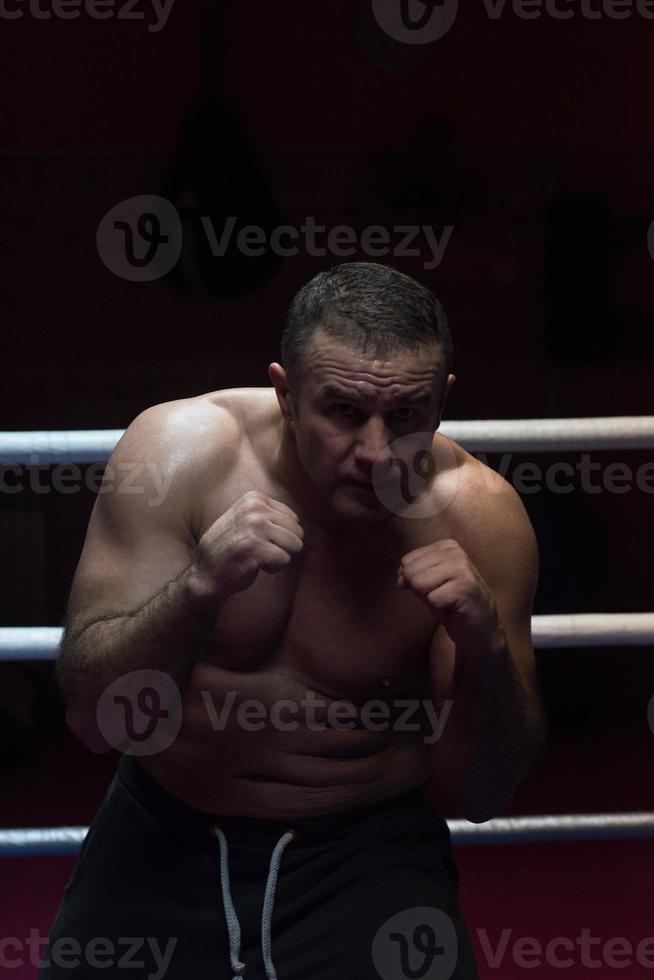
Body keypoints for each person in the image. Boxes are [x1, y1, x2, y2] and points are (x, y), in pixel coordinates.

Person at [42, 262, 545, 980]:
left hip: (365, 853)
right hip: (162, 832)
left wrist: (483, 646)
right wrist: (198, 591)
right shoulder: (179, 455)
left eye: (405, 415)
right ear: (285, 392)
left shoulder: (478, 519)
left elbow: (482, 794)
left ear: (442, 402)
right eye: (342, 411)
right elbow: (97, 722)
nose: (375, 453)